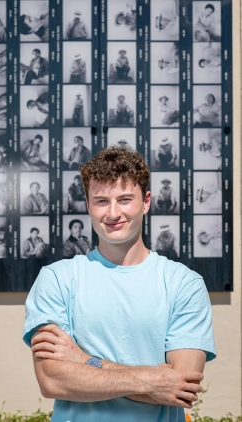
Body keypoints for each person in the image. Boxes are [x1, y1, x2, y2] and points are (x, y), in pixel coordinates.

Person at [23, 146, 216, 422]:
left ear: (146, 201)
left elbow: (180, 388)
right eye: (101, 201)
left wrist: (85, 361)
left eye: (125, 199)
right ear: (88, 205)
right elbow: (53, 381)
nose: (113, 213)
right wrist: (151, 380)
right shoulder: (57, 279)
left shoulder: (184, 284)